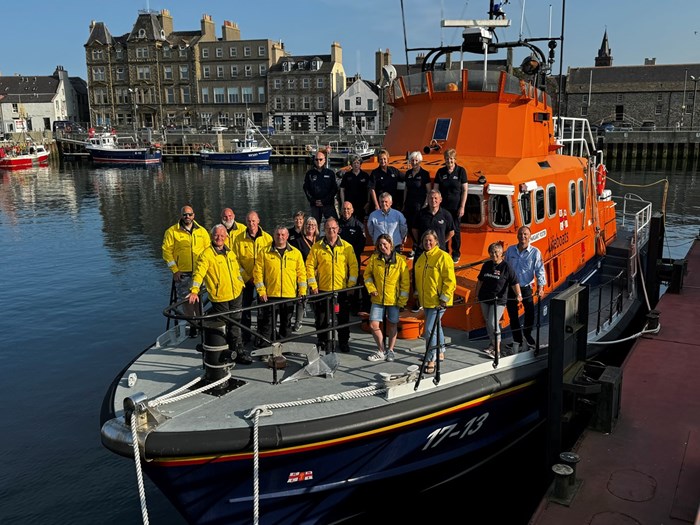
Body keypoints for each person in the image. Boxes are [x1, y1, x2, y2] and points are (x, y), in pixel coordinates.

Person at [187, 224, 248, 364]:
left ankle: (238, 351)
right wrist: (194, 290)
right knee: (224, 325)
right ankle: (222, 353)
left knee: (236, 324)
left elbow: (237, 270)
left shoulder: (230, 252)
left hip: (236, 294)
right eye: (216, 235)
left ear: (226, 237)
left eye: (222, 235)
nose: (219, 238)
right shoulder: (206, 255)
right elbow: (199, 273)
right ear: (212, 236)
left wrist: (242, 283)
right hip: (220, 296)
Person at [306, 217, 359, 353]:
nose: (331, 231)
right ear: (324, 230)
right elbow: (310, 266)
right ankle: (322, 341)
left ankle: (343, 342)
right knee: (321, 319)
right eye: (328, 228)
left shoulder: (347, 247)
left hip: (342, 290)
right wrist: (313, 285)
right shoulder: (317, 247)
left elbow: (353, 266)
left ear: (338, 229)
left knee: (343, 319)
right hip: (323, 289)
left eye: (334, 228)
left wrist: (351, 285)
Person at [162, 205, 210, 337]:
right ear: (181, 216)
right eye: (185, 215)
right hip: (182, 272)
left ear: (194, 215)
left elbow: (208, 250)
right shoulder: (172, 232)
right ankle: (192, 325)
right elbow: (167, 252)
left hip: (199, 272)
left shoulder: (202, 231)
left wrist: (207, 269)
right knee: (186, 301)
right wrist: (175, 270)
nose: (187, 217)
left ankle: (201, 323)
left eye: (189, 214)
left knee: (199, 299)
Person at [253, 225, 307, 346]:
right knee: (268, 323)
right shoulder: (264, 252)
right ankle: (265, 348)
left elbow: (302, 274)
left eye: (283, 235)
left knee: (286, 323)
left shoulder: (295, 253)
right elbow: (257, 273)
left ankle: (285, 347)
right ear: (274, 235)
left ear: (287, 236)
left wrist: (302, 291)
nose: (280, 237)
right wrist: (261, 291)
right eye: (278, 234)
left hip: (289, 294)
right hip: (270, 295)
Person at [414, 230, 456, 374]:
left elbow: (450, 280)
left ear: (437, 241)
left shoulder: (443, 257)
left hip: (438, 301)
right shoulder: (421, 259)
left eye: (431, 240)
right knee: (436, 327)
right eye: (425, 241)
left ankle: (431, 359)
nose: (428, 243)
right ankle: (441, 351)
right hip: (426, 300)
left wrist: (444, 299)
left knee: (430, 329)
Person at [364, 234, 410, 362]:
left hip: (393, 299)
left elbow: (405, 283)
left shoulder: (400, 261)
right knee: (373, 324)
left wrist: (402, 301)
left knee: (393, 324)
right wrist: (371, 289)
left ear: (390, 244)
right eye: (380, 245)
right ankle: (381, 350)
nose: (383, 247)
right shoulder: (374, 259)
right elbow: (367, 276)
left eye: (385, 244)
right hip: (378, 299)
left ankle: (390, 350)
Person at [476, 242, 522, 358]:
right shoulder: (486, 265)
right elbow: (480, 280)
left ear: (502, 253)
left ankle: (497, 350)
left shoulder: (506, 267)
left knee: (493, 322)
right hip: (485, 298)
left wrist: (519, 295)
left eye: (496, 252)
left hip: (499, 300)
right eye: (491, 252)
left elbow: (514, 282)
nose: (494, 254)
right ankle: (492, 344)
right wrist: (477, 294)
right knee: (488, 322)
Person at [233, 211, 273, 345]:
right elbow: (235, 261)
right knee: (245, 309)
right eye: (249, 221)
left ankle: (261, 335)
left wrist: (262, 278)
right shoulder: (238, 239)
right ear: (246, 222)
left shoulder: (267, 238)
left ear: (258, 221)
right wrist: (246, 277)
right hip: (246, 280)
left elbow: (271, 260)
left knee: (263, 310)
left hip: (263, 280)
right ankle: (245, 335)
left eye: (254, 221)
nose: (251, 224)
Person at [504, 226, 546, 352]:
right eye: (521, 234)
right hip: (511, 287)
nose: (523, 236)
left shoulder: (535, 252)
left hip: (526, 287)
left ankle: (527, 335)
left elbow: (540, 271)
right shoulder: (510, 250)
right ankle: (517, 339)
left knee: (529, 313)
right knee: (513, 315)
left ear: (529, 236)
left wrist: (540, 287)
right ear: (517, 236)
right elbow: (505, 268)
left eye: (525, 234)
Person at [433, 148, 468, 263]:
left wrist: (462, 206)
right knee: (443, 230)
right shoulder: (440, 172)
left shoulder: (461, 171)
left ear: (455, 159)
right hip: (443, 208)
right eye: (447, 159)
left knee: (456, 231)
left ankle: (456, 253)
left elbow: (464, 190)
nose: (449, 161)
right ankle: (444, 251)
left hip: (456, 208)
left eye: (451, 159)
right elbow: (436, 190)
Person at [289, 216, 319, 332]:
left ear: (316, 227)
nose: (310, 227)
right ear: (304, 227)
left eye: (313, 225)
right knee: (302, 298)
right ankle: (298, 322)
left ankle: (318, 320)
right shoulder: (298, 241)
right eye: (308, 225)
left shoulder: (320, 240)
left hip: (318, 275)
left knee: (317, 299)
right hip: (304, 274)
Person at [338, 201, 368, 314]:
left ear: (352, 210)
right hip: (339, 259)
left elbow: (362, 242)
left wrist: (354, 255)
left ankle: (354, 305)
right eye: (344, 209)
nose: (346, 211)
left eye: (348, 209)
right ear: (341, 211)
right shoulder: (337, 224)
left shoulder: (358, 225)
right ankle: (341, 305)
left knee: (354, 281)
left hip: (354, 258)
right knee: (341, 281)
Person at [402, 151, 432, 257]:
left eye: (416, 160)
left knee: (418, 227)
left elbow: (429, 191)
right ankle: (415, 246)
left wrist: (426, 204)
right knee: (410, 226)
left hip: (419, 205)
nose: (414, 162)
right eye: (412, 160)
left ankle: (418, 247)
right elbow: (406, 188)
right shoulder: (408, 173)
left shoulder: (424, 174)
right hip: (409, 204)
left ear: (420, 161)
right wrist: (404, 202)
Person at [303, 149, 338, 223]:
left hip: (328, 204)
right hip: (314, 205)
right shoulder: (309, 174)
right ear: (314, 160)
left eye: (320, 159)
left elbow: (334, 189)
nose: (318, 161)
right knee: (314, 226)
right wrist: (313, 200)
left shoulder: (330, 173)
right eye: (316, 159)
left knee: (333, 223)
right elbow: (306, 189)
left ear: (324, 160)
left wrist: (324, 200)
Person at [339, 155, 370, 221]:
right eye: (354, 163)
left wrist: (368, 202)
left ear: (360, 164)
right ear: (351, 164)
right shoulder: (347, 175)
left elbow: (369, 190)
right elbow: (342, 189)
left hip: (362, 204)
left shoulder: (365, 175)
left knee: (361, 223)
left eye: (358, 163)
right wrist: (343, 203)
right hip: (349, 204)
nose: (356, 165)